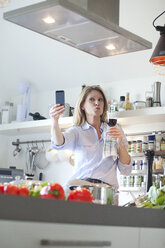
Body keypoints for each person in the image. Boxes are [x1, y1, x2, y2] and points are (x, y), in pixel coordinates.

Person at [49, 85, 132, 191]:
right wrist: (54, 121)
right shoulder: (77, 131)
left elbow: (126, 170)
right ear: (82, 105)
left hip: (107, 191)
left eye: (100, 100)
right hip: (81, 189)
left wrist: (120, 142)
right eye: (92, 99)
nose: (97, 103)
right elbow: (59, 142)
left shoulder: (115, 129)